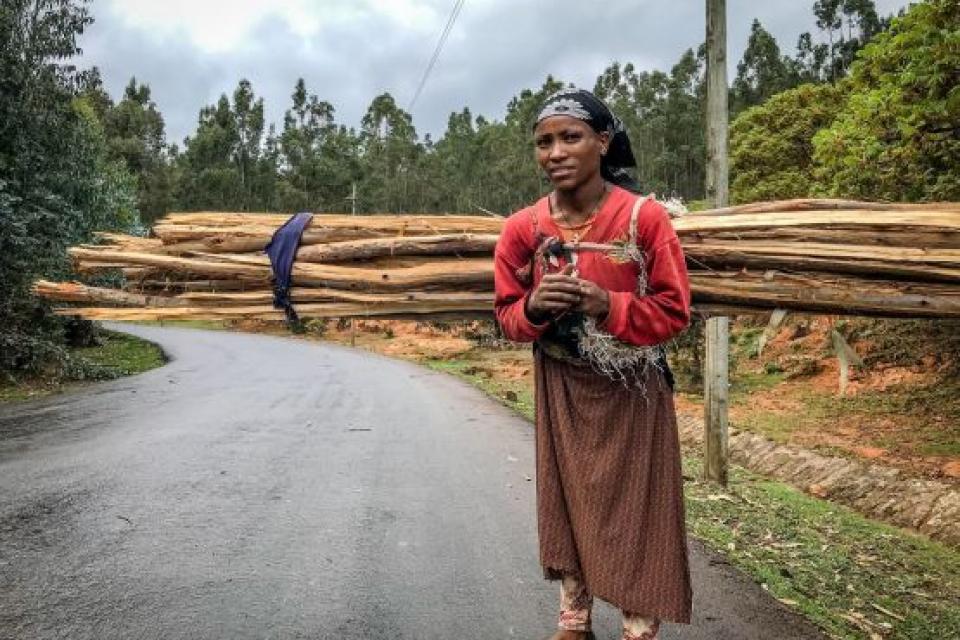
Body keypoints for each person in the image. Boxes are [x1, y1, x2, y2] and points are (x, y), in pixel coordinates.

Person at [493, 89, 693, 640]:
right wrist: (534, 307)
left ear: (602, 142)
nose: (555, 152)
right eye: (544, 142)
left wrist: (609, 304)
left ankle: (638, 628)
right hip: (561, 382)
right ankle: (574, 620)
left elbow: (675, 311)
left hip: (633, 388)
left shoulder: (643, 218)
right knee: (568, 501)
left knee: (638, 512)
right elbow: (506, 316)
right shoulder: (523, 229)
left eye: (571, 137)